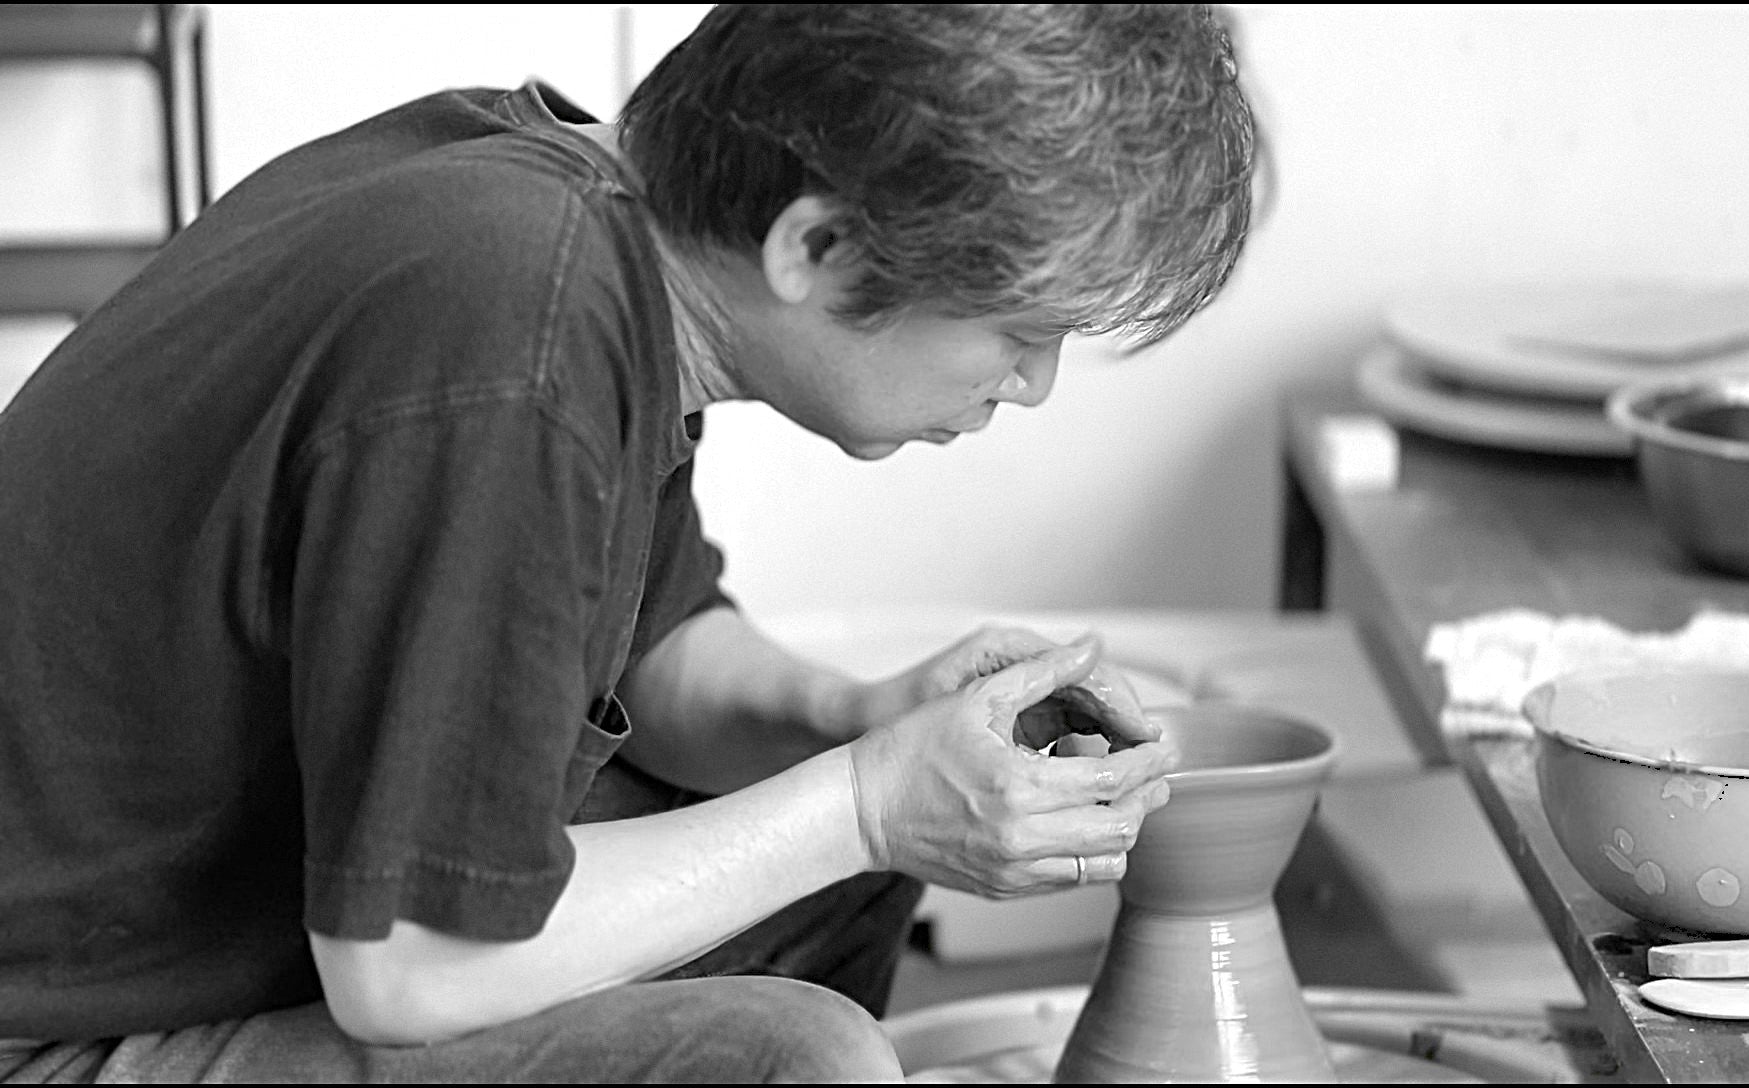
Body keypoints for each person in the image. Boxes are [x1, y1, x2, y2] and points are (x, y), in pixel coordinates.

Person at [0, 3, 1257, 1082]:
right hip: (60, 1025)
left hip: (201, 911)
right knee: (798, 1058)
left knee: (832, 847)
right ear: (814, 244)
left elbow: (644, 646)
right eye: (1018, 326)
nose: (1033, 383)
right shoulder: (509, 334)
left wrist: (862, 719)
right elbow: (412, 961)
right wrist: (873, 801)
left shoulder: (562, 219)